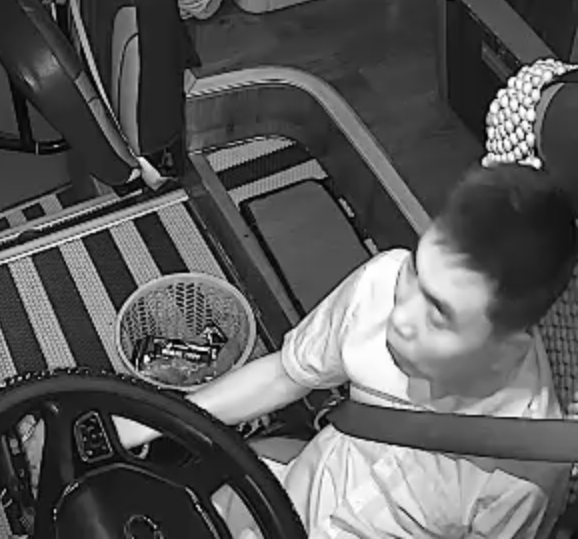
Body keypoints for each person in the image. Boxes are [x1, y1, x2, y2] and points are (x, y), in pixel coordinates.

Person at [115, 162, 578, 537]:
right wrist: (140, 423)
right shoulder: (381, 285)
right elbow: (285, 375)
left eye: (439, 313)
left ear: (506, 349)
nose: (400, 315)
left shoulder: (525, 477)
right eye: (417, 271)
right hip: (295, 494)